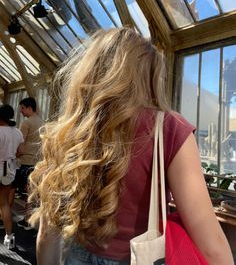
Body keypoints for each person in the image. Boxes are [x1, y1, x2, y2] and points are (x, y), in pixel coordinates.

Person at [29, 28, 234, 265]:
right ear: (150, 77)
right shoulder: (169, 128)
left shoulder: (67, 132)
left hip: (76, 254)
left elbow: (47, 232)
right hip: (139, 258)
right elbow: (211, 247)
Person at [15, 97, 43, 230]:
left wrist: (15, 156)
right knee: (32, 191)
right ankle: (30, 218)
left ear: (29, 108)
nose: (21, 111)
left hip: (26, 161)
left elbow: (20, 143)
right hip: (38, 161)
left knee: (26, 191)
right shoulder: (42, 122)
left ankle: (27, 220)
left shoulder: (26, 123)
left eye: (22, 108)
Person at [0, 104, 24, 249]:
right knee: (4, 204)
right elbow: (21, 151)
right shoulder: (17, 132)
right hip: (8, 169)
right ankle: (9, 238)